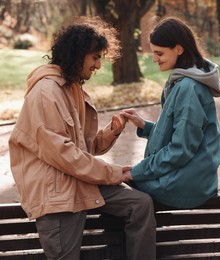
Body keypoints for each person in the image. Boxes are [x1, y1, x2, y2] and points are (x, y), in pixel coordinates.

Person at [8, 16, 156, 260]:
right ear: (77, 54)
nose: (98, 65)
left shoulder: (71, 87)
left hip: (78, 181)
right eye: (95, 57)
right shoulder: (46, 92)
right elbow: (65, 155)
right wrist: (114, 173)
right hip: (57, 197)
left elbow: (81, 149)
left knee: (139, 204)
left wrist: (111, 132)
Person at [123, 17, 220, 209]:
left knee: (120, 193)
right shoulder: (182, 81)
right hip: (192, 179)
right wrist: (145, 126)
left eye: (159, 53)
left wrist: (136, 172)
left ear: (179, 49)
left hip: (185, 184)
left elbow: (180, 149)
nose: (154, 58)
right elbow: (182, 134)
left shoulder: (188, 87)